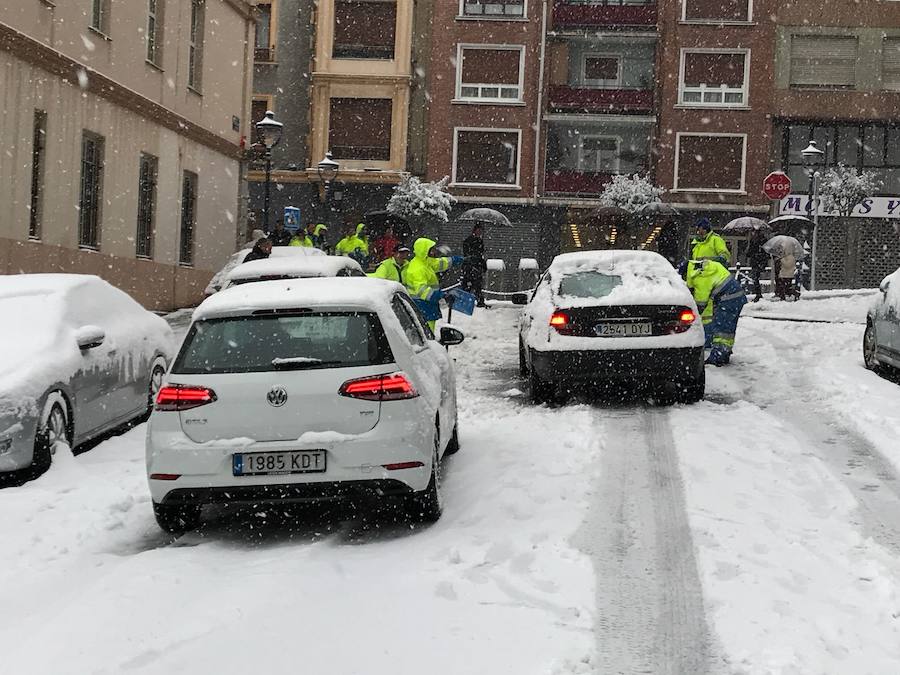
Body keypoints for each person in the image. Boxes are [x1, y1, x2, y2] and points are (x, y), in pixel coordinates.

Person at [686, 259, 747, 366]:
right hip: (735, 296)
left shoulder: (699, 277)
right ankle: (724, 353)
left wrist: (692, 316)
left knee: (722, 330)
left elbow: (701, 303)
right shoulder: (704, 268)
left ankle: (718, 356)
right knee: (728, 329)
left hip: (728, 298)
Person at [404, 238, 464, 330]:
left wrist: (459, 260)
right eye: (431, 250)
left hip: (427, 306)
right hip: (421, 307)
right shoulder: (417, 269)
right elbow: (422, 291)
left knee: (427, 332)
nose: (434, 252)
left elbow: (440, 263)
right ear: (424, 251)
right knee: (427, 334)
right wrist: (442, 295)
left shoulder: (425, 261)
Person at [461, 224, 487, 307]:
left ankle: (478, 301)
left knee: (476, 285)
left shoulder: (479, 241)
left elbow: (480, 255)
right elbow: (468, 254)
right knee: (470, 285)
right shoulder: (469, 241)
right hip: (470, 267)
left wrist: (482, 264)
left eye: (481, 231)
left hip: (476, 266)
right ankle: (466, 302)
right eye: (478, 230)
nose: (480, 232)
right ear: (475, 230)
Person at [747, 229, 769, 302]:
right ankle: (758, 293)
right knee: (755, 278)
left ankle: (758, 294)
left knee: (756, 278)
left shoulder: (760, 241)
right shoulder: (757, 241)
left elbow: (751, 252)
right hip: (758, 262)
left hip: (758, 262)